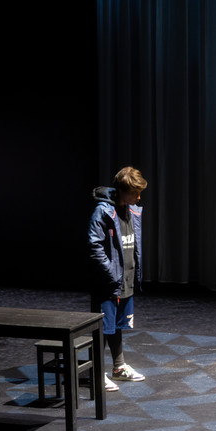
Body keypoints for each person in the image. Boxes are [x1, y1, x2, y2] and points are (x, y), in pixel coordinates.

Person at [87, 166, 148, 392]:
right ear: (123, 190)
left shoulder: (131, 210)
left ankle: (119, 367)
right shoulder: (103, 211)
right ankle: (96, 373)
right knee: (103, 328)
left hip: (126, 280)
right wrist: (111, 274)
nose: (139, 197)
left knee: (116, 326)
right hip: (108, 283)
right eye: (135, 193)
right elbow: (94, 246)